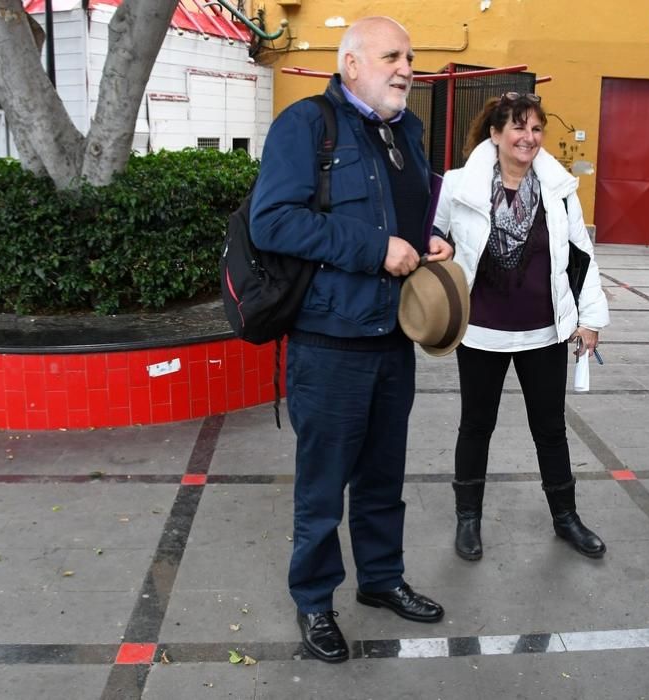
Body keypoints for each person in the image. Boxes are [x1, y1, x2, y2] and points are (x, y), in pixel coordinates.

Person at [249, 17, 452, 663]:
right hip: (328, 342)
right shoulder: (306, 124)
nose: (405, 67)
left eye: (410, 56)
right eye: (392, 55)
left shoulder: (407, 131)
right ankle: (313, 602)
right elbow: (272, 222)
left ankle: (381, 580)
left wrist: (427, 242)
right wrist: (374, 249)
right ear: (350, 64)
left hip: (392, 338)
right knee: (321, 488)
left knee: (381, 479)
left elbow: (404, 216)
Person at [432, 94, 610, 562]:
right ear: (495, 134)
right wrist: (438, 247)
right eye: (517, 128)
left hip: (543, 332)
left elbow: (580, 254)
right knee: (476, 426)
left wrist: (589, 319)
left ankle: (566, 517)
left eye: (536, 129)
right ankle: (468, 519)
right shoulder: (459, 186)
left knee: (550, 430)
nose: (528, 138)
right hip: (481, 331)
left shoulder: (558, 189)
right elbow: (434, 238)